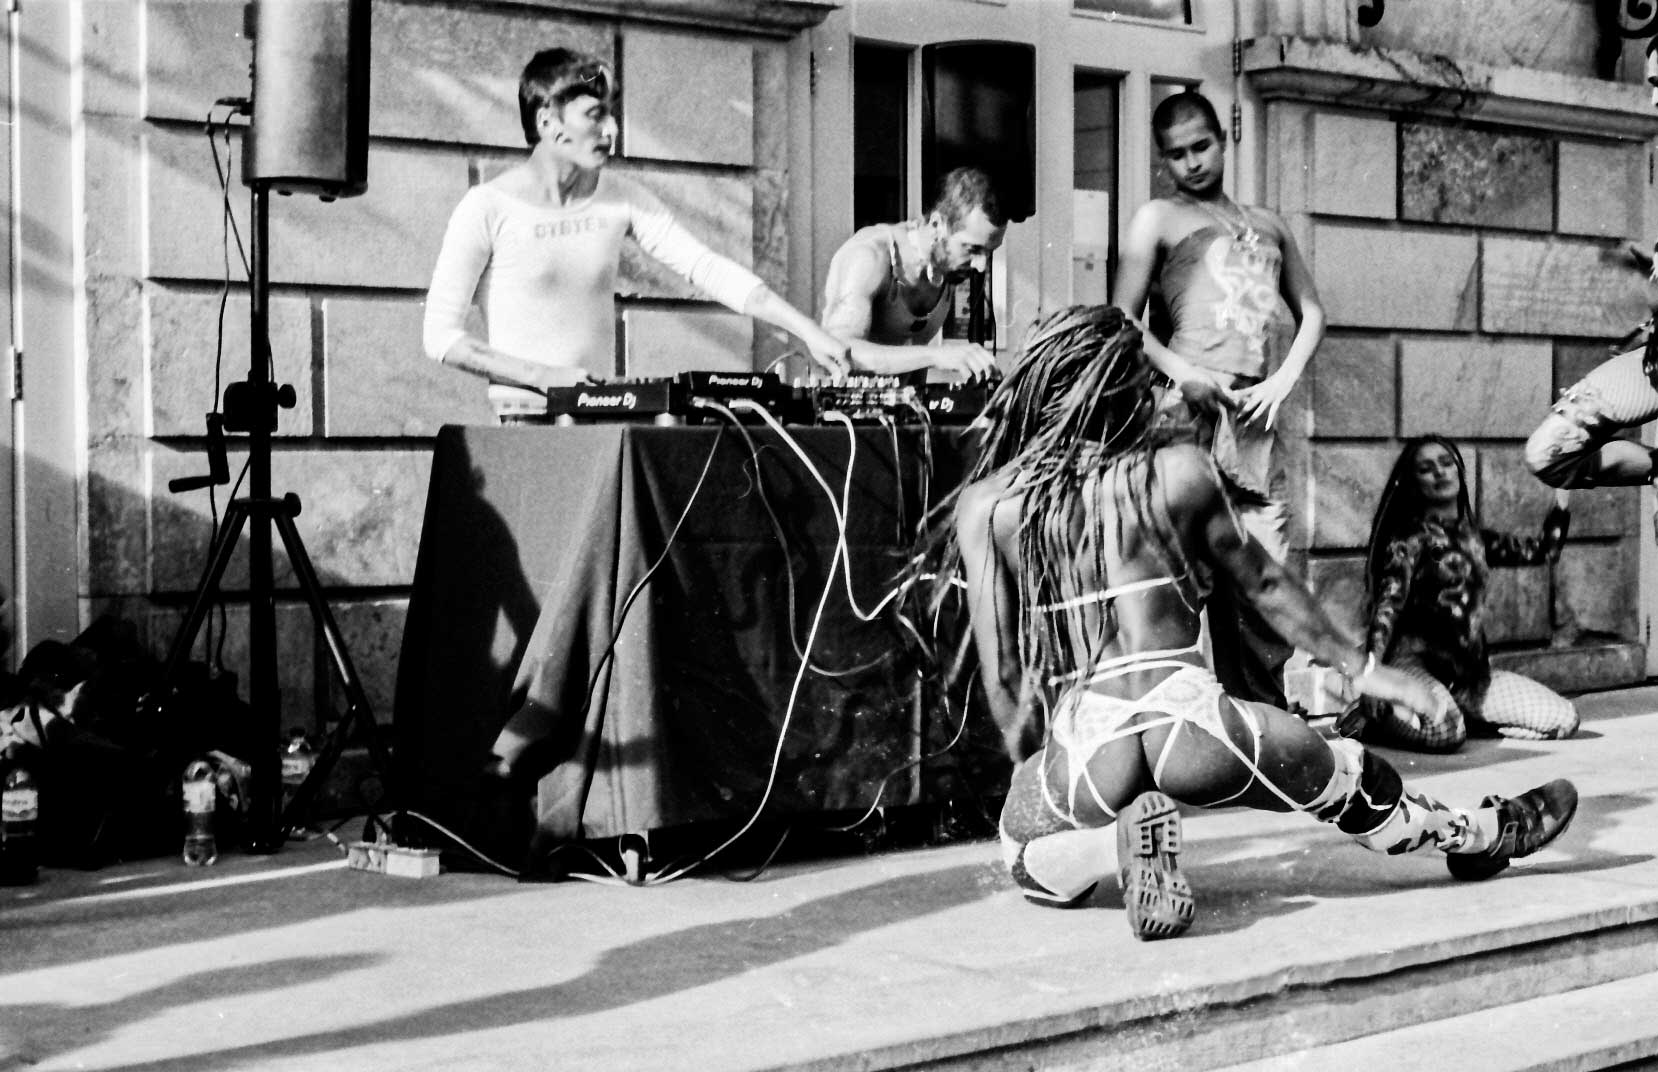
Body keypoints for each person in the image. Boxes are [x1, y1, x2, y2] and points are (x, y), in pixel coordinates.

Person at [924, 304, 1576, 940]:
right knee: (1353, 779)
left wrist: (1032, 766)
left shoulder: (991, 506)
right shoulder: (1177, 474)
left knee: (1023, 847)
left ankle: (1106, 849)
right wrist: (1370, 674)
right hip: (1202, 732)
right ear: (1123, 387)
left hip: (1092, 744)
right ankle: (1482, 834)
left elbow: (1004, 674)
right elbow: (1266, 585)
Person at [422, 47, 850, 420]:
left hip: (597, 418)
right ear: (549, 122)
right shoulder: (486, 207)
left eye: (611, 114)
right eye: (595, 115)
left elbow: (705, 267)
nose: (612, 131)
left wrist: (807, 330)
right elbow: (440, 337)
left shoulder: (623, 198)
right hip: (523, 420)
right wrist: (543, 377)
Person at [1110, 89, 1327, 709]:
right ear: (1163, 161)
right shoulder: (1158, 217)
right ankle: (1177, 726)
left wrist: (1283, 381)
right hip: (1187, 420)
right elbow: (1121, 319)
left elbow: (1312, 312)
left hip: (1254, 426)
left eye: (1201, 146)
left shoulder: (1269, 224)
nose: (1192, 163)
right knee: (1175, 575)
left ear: (1224, 141)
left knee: (1263, 575)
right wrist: (1183, 373)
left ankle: (1264, 727)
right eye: (1176, 155)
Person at [1342, 436, 1579, 752]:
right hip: (1415, 666)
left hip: (1468, 677)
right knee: (1445, 734)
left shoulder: (1474, 538)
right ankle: (1371, 719)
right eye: (1426, 469)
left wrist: (1562, 495)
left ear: (1459, 471)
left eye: (1446, 463)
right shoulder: (1409, 539)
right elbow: (1388, 609)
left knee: (1564, 719)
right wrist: (1372, 678)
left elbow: (1544, 552)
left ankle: (1462, 715)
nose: (1439, 473)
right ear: (1413, 483)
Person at [819, 167, 1005, 380]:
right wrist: (937, 355)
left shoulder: (947, 266)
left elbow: (914, 364)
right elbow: (838, 352)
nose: (981, 266)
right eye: (973, 249)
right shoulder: (870, 256)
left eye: (989, 253)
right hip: (841, 411)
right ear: (937, 224)